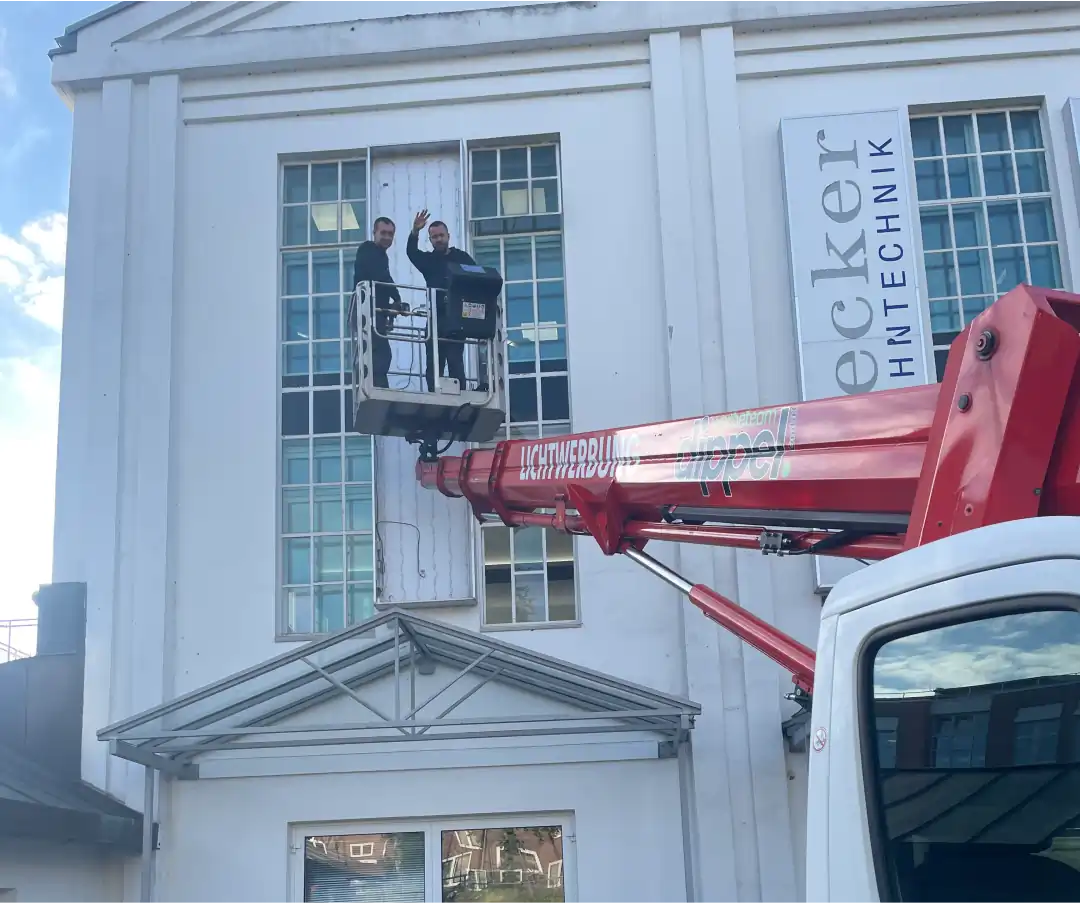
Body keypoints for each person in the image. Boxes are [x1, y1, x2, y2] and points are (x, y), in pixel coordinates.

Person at [406, 210, 479, 392]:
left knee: (455, 360)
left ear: (448, 236)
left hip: (455, 317)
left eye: (441, 235)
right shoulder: (428, 261)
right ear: (430, 240)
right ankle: (434, 395)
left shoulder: (461, 257)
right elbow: (412, 252)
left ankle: (460, 396)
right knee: (433, 362)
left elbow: (478, 277)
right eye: (434, 237)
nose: (438, 239)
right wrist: (415, 231)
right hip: (435, 318)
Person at [352, 217, 408, 388]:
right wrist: (397, 298)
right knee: (380, 353)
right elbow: (380, 276)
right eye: (383, 233)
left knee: (379, 352)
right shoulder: (368, 249)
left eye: (390, 234)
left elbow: (383, 278)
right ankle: (377, 387)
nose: (387, 237)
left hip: (375, 311)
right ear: (374, 232)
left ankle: (376, 386)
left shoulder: (380, 255)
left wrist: (395, 301)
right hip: (368, 310)